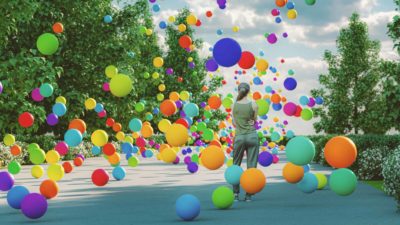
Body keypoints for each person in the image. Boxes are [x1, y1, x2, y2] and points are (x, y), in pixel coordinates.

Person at [232, 82, 259, 202]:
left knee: (236, 165)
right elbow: (254, 121)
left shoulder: (234, 105)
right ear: (248, 92)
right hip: (252, 136)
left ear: (239, 91)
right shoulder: (254, 104)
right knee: (251, 167)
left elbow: (234, 123)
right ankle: (249, 195)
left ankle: (235, 194)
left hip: (239, 137)